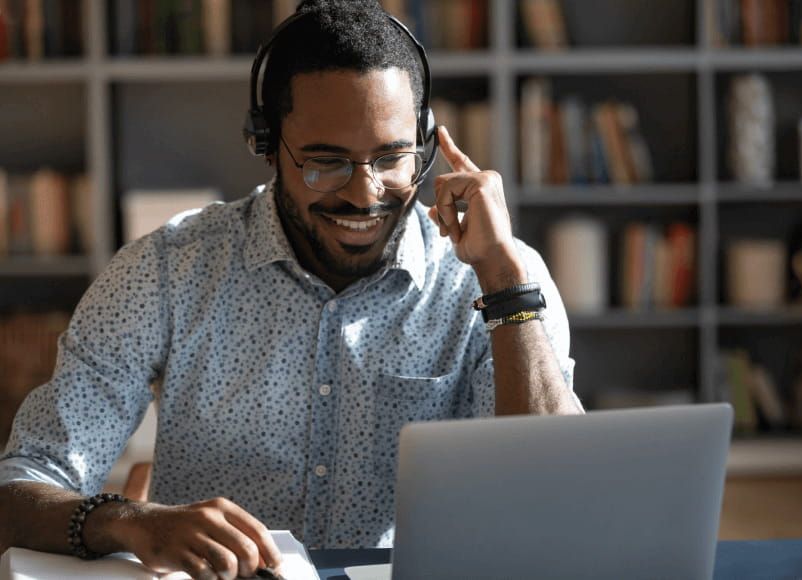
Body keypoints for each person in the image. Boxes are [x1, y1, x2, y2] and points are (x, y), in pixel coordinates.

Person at [0, 0, 583, 578]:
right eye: (326, 162)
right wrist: (131, 521)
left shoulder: (496, 277)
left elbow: (564, 499)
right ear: (266, 144)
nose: (364, 193)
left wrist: (506, 284)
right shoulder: (164, 273)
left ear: (427, 144)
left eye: (392, 157)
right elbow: (20, 488)